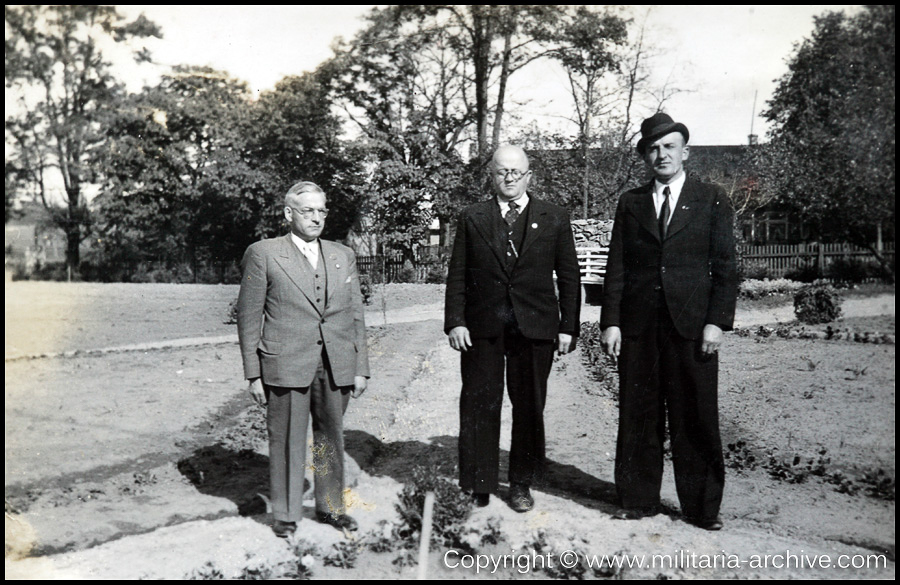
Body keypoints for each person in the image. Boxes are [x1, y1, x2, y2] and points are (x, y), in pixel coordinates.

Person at [600, 113, 738, 530]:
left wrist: (716, 322)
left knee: (695, 416)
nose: (661, 154)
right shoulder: (632, 202)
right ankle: (637, 499)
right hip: (640, 328)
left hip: (692, 328)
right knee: (638, 416)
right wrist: (611, 322)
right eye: (653, 148)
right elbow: (617, 267)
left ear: (685, 152)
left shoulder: (711, 197)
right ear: (645, 155)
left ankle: (701, 507)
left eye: (669, 147)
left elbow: (726, 266)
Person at [445, 145, 581, 512]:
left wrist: (568, 326)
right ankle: (479, 482)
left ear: (529, 176)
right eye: (502, 172)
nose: (509, 178)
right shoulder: (472, 217)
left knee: (529, 406)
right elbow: (457, 272)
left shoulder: (554, 217)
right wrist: (455, 321)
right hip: (483, 326)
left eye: (516, 172)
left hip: (534, 327)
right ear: (492, 176)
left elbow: (569, 276)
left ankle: (521, 483)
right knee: (478, 402)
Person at [237, 181, 369, 538]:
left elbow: (355, 313)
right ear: (288, 214)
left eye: (322, 210)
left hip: (335, 362)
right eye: (307, 210)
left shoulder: (343, 255)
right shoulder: (263, 253)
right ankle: (286, 513)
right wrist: (253, 373)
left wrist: (361, 367)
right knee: (287, 440)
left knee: (330, 439)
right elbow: (249, 317)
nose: (316, 218)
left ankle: (330, 508)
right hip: (285, 364)